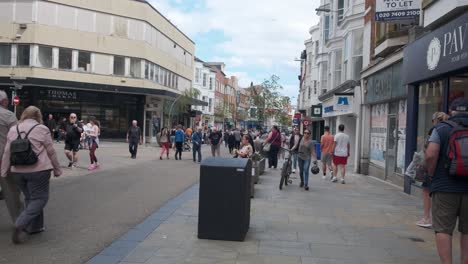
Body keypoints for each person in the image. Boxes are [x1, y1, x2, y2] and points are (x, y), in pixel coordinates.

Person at [1, 106, 62, 244]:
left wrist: (4, 170)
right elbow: (51, 151)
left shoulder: (13, 129)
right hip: (38, 171)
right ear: (38, 116)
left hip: (17, 171)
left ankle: (36, 227)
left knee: (30, 197)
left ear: (23, 115)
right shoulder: (42, 129)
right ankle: (20, 223)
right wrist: (57, 169)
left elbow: (7, 152)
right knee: (40, 198)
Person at [425, 98, 468, 264]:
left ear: (451, 112)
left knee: (443, 229)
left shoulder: (441, 128)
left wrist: (432, 173)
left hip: (444, 186)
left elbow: (430, 154)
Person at [416, 112, 449, 228]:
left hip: (434, 168)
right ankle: (441, 220)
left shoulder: (435, 131)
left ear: (435, 120)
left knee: (426, 191)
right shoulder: (452, 130)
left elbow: (429, 153)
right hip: (447, 169)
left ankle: (427, 218)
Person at [0, 90, 23, 224]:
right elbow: (17, 139)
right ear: (4, 102)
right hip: (4, 159)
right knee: (12, 192)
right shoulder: (9, 115)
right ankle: (20, 222)